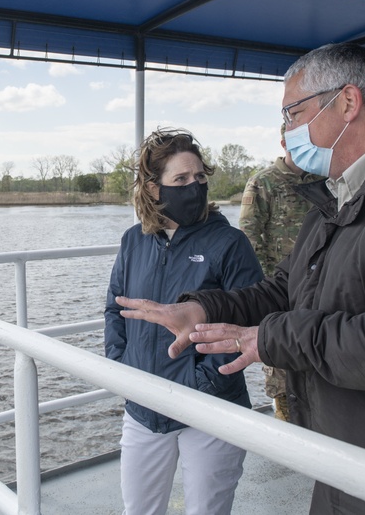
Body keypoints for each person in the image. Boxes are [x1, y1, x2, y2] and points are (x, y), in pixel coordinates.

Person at [117, 43, 365, 515]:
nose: (288, 131)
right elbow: (282, 291)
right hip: (348, 455)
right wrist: (205, 308)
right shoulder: (337, 200)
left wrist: (273, 337)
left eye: (293, 113)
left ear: (347, 103)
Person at [104, 127, 263, 515]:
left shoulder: (229, 243)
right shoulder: (134, 241)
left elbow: (251, 317)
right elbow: (115, 309)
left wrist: (201, 382)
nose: (194, 187)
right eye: (181, 179)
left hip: (211, 408)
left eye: (200, 178)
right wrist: (123, 368)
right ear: (155, 189)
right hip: (143, 406)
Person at [238, 124, 323, 421]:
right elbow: (249, 239)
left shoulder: (322, 181)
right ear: (284, 142)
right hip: (280, 291)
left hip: (317, 292)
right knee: (283, 375)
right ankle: (288, 428)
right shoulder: (264, 182)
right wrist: (266, 289)